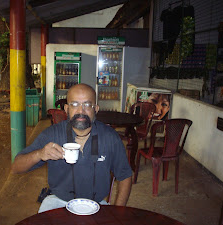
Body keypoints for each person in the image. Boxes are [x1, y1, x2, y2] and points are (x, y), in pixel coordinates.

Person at [11, 83, 132, 213]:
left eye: (87, 105)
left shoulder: (110, 137)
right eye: (74, 104)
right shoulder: (51, 134)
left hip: (96, 204)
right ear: (66, 109)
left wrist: (118, 213)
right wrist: (40, 154)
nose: (81, 111)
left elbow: (125, 176)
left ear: (96, 109)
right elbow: (16, 167)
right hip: (58, 201)